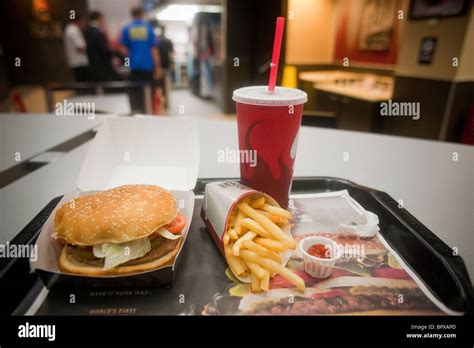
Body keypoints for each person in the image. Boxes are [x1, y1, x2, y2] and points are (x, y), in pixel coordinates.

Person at [120, 7, 162, 112]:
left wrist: (130, 58)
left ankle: (137, 113)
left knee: (135, 93)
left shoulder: (127, 28)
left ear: (132, 15)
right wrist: (158, 68)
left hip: (134, 67)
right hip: (148, 66)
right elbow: (154, 50)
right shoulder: (149, 28)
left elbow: (123, 49)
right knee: (148, 92)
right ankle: (148, 112)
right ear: (142, 14)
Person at [83, 11, 120, 82]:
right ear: (98, 18)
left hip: (90, 66)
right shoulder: (98, 33)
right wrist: (115, 55)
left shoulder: (85, 31)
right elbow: (104, 50)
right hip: (102, 66)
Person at [63, 14, 89, 82]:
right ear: (79, 21)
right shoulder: (74, 30)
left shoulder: (69, 29)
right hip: (79, 62)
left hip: (75, 61)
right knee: (81, 82)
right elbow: (80, 47)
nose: (83, 24)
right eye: (83, 21)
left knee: (79, 80)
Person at [156, 25, 174, 107]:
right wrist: (171, 64)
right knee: (166, 85)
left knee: (158, 85)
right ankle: (166, 103)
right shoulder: (168, 41)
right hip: (166, 65)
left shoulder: (157, 40)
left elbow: (155, 54)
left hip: (158, 66)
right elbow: (171, 54)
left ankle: (160, 103)